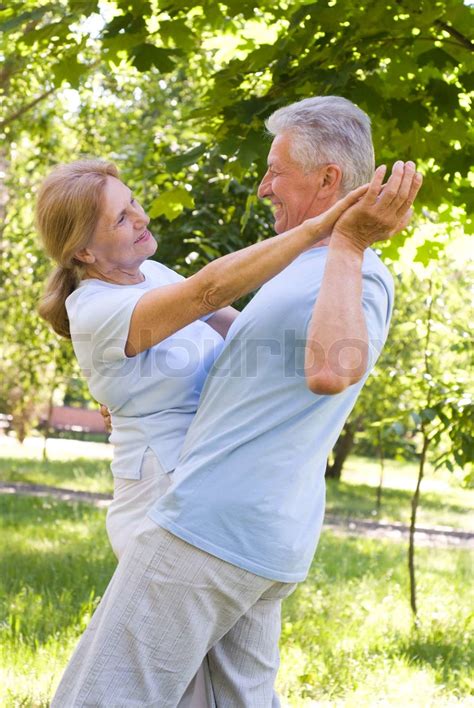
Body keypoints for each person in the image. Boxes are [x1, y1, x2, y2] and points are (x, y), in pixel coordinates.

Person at [50, 96, 422, 707]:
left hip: (208, 526)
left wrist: (350, 244)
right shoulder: (309, 269)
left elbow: (327, 370)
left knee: (104, 695)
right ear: (84, 251)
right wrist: (132, 396)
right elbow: (214, 316)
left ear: (327, 178)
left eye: (276, 171)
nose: (261, 187)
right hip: (242, 531)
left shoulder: (350, 269)